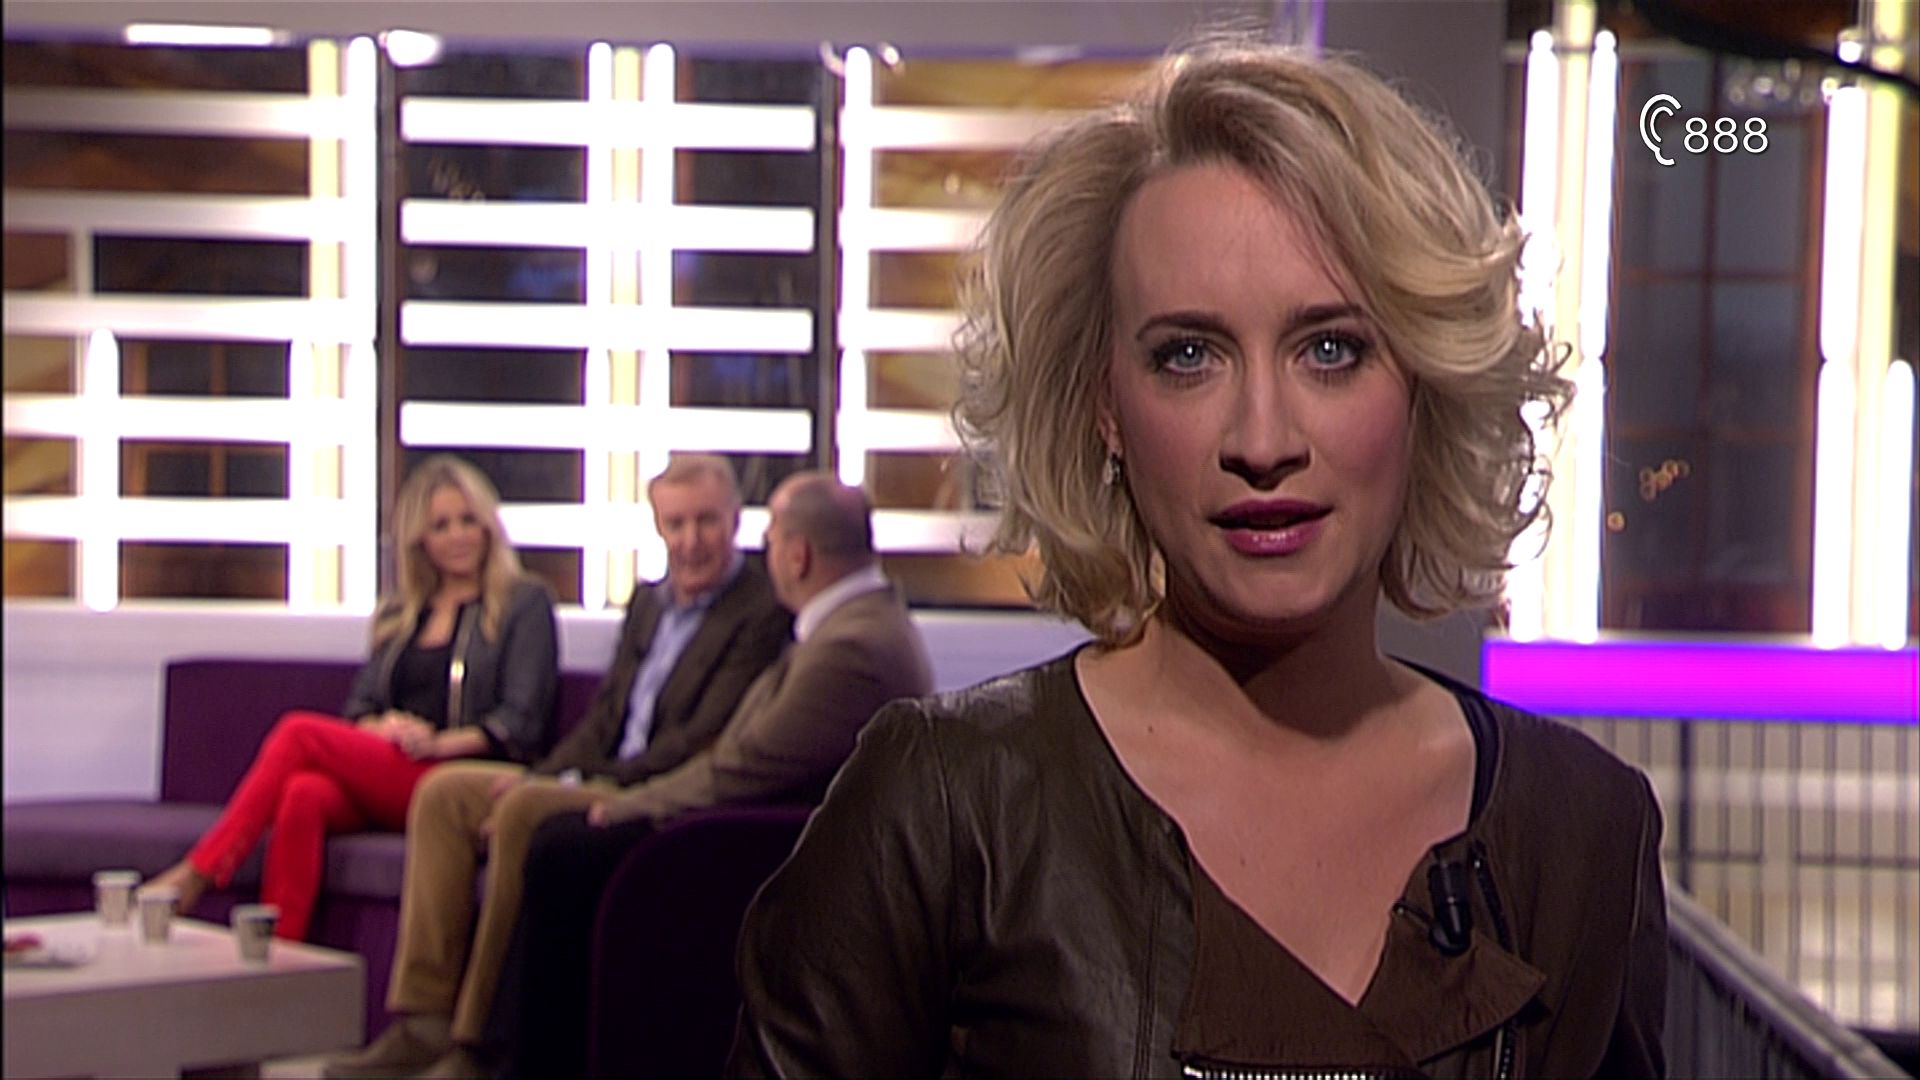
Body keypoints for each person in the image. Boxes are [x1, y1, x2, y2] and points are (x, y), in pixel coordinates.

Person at [731, 41, 1668, 1079]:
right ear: (1106, 408)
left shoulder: (1583, 835)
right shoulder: (946, 810)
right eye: (1188, 355)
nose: (1263, 440)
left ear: (1424, 384)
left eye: (1331, 349)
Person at [324, 453, 792, 1080]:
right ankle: (425, 1020)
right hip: (596, 773)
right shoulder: (650, 602)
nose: (690, 541)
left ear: (735, 520)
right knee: (444, 794)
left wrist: (566, 785)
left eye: (705, 522)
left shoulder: (760, 609)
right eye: (675, 524)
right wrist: (545, 774)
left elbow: (700, 739)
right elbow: (602, 720)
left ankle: (478, 1043)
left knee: (524, 808)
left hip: (654, 791)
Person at [473, 472, 935, 1080]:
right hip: (748, 828)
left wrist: (631, 804)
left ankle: (526, 1067)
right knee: (562, 840)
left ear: (798, 555)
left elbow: (742, 767)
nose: (766, 555)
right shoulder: (842, 626)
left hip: (768, 849)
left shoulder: (852, 646)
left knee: (566, 849)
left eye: (770, 539)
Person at [143, 455, 559, 942]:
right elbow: (360, 707)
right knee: (302, 795)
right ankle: (283, 956)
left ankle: (198, 872)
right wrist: (383, 728)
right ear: (420, 539)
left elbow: (521, 721)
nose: (458, 536)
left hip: (462, 777)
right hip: (397, 767)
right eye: (441, 525)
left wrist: (437, 743)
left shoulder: (524, 602)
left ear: (489, 525)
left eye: (469, 520)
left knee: (299, 732)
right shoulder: (402, 612)